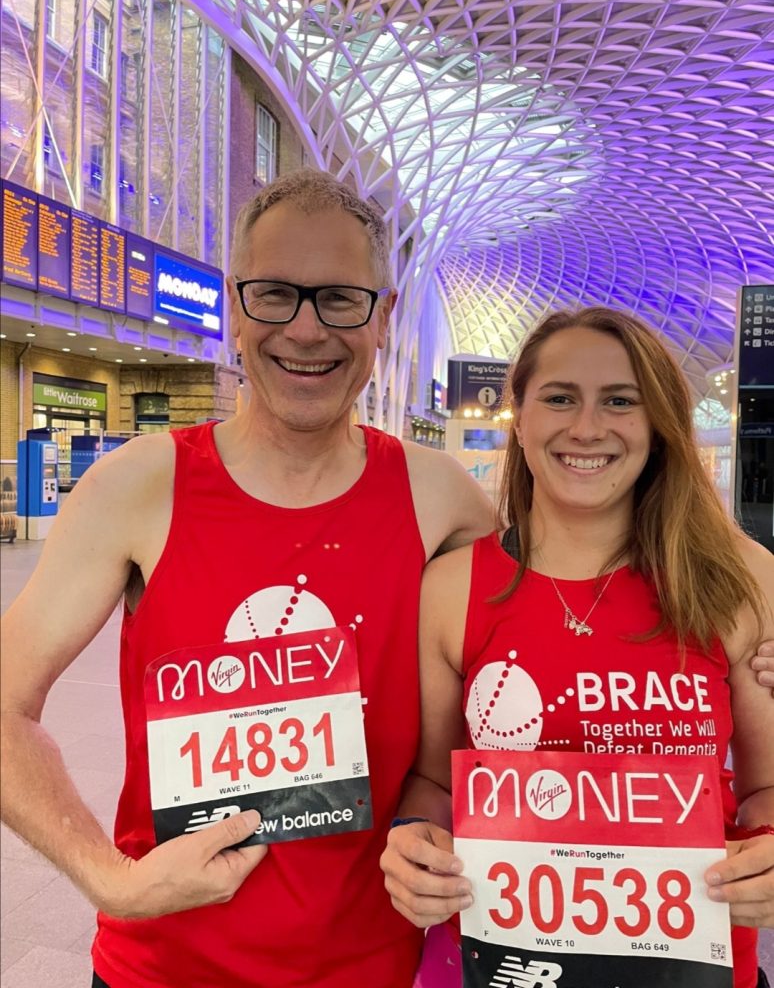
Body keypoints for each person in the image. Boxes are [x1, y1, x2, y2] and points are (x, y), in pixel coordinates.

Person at [0, 170, 497, 988]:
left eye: (340, 298)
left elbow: (556, 633)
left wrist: (744, 651)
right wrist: (109, 880)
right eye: (274, 294)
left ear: (384, 317)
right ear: (234, 309)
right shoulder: (141, 485)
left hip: (374, 968)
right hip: (161, 969)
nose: (305, 330)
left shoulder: (440, 498)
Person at [380, 307, 774, 988]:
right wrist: (415, 837)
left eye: (621, 401)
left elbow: (766, 787)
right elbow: (434, 779)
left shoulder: (736, 582)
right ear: (521, 417)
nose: (587, 428)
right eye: (560, 398)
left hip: (687, 968)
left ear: (658, 426)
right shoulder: (451, 588)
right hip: (494, 963)